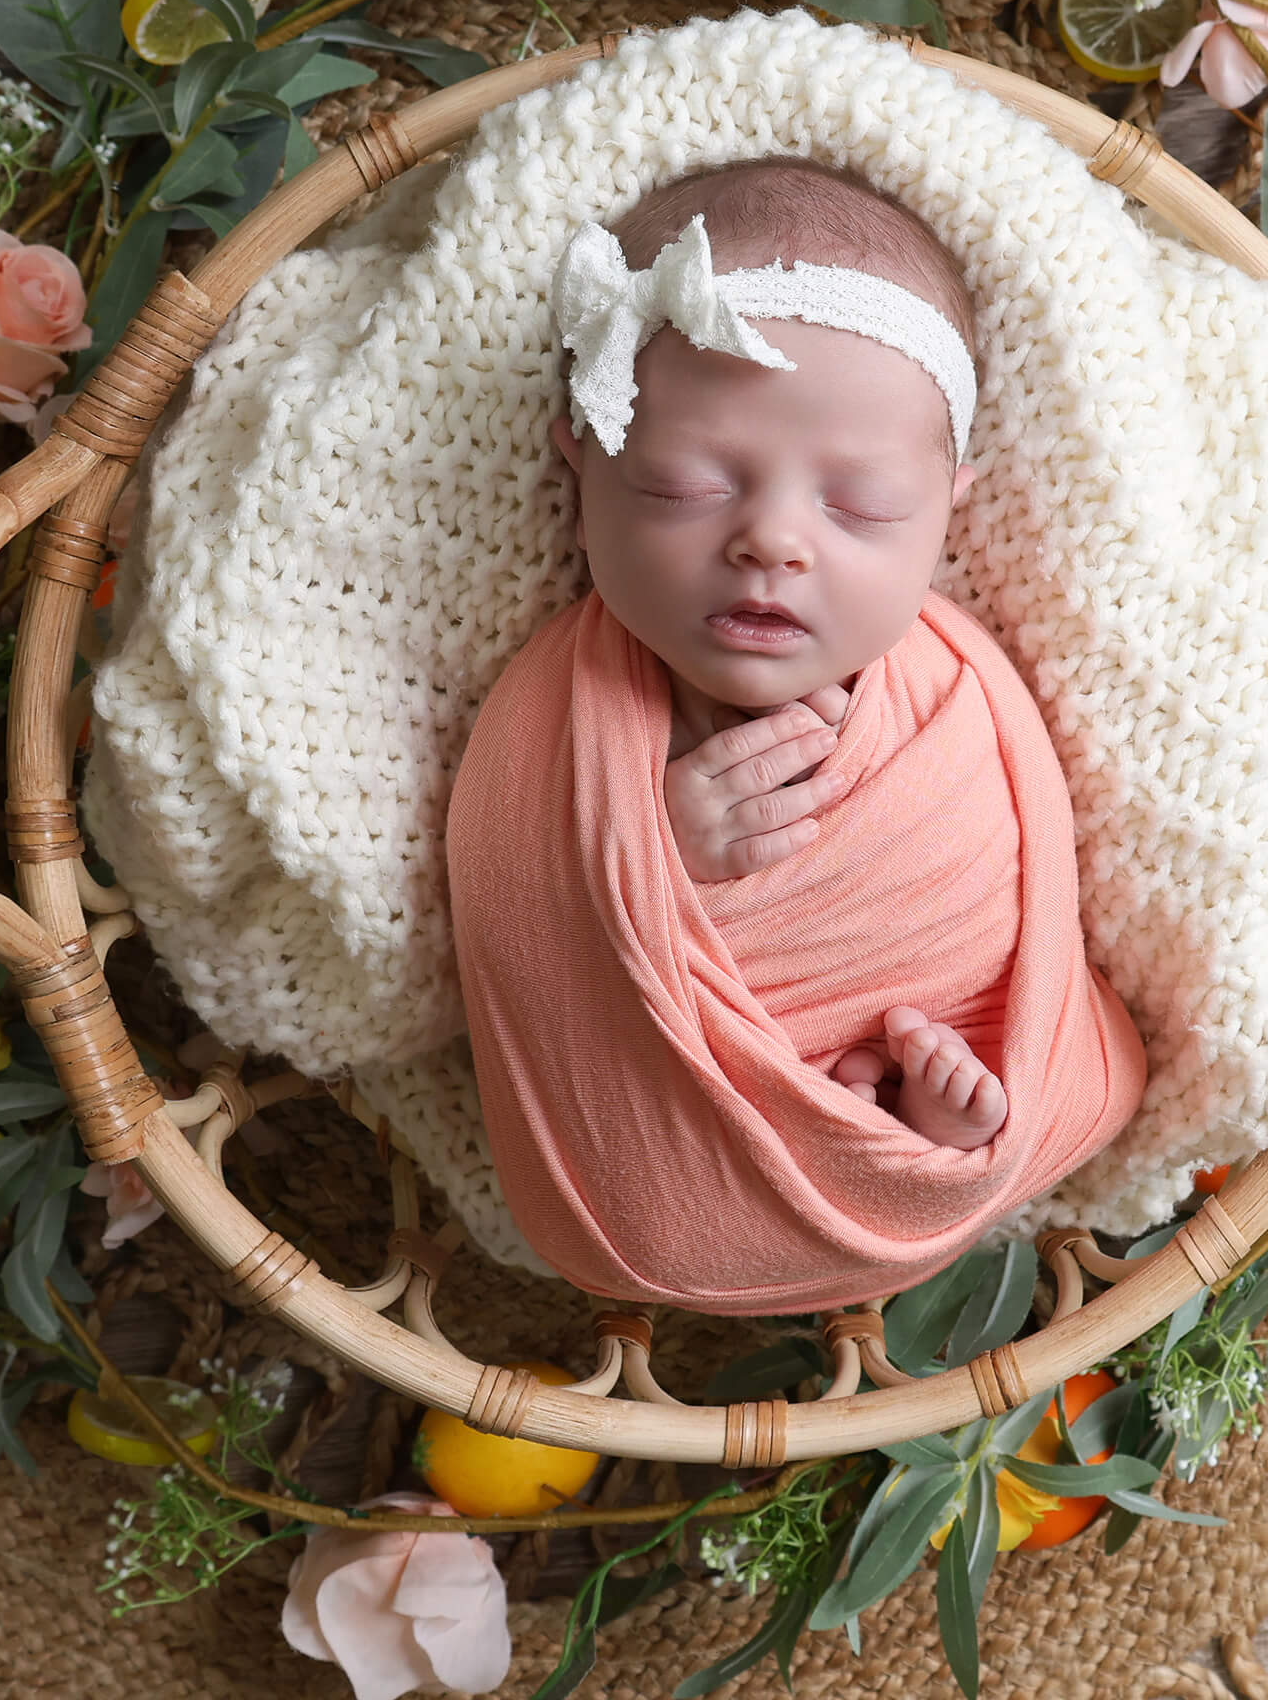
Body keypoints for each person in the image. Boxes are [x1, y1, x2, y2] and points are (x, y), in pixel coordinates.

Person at [445, 155, 1147, 1312]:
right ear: (582, 462)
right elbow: (519, 912)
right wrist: (652, 860)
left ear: (947, 511)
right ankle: (868, 1135)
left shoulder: (955, 684)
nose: (771, 540)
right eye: (681, 485)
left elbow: (1016, 884)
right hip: (667, 1188)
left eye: (859, 506)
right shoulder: (551, 718)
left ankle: (921, 1138)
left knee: (992, 1079)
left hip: (956, 1067)